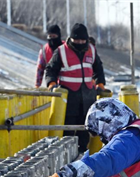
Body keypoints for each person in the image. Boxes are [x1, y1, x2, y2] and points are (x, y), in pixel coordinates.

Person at [45, 23, 107, 153]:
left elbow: (98, 68)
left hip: (88, 97)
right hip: (69, 98)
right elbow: (50, 69)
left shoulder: (92, 50)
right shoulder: (61, 51)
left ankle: (83, 151)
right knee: (68, 128)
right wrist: (51, 84)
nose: (80, 42)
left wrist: (100, 83)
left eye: (82, 40)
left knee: (85, 127)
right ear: (71, 38)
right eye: (76, 40)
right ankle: (66, 154)